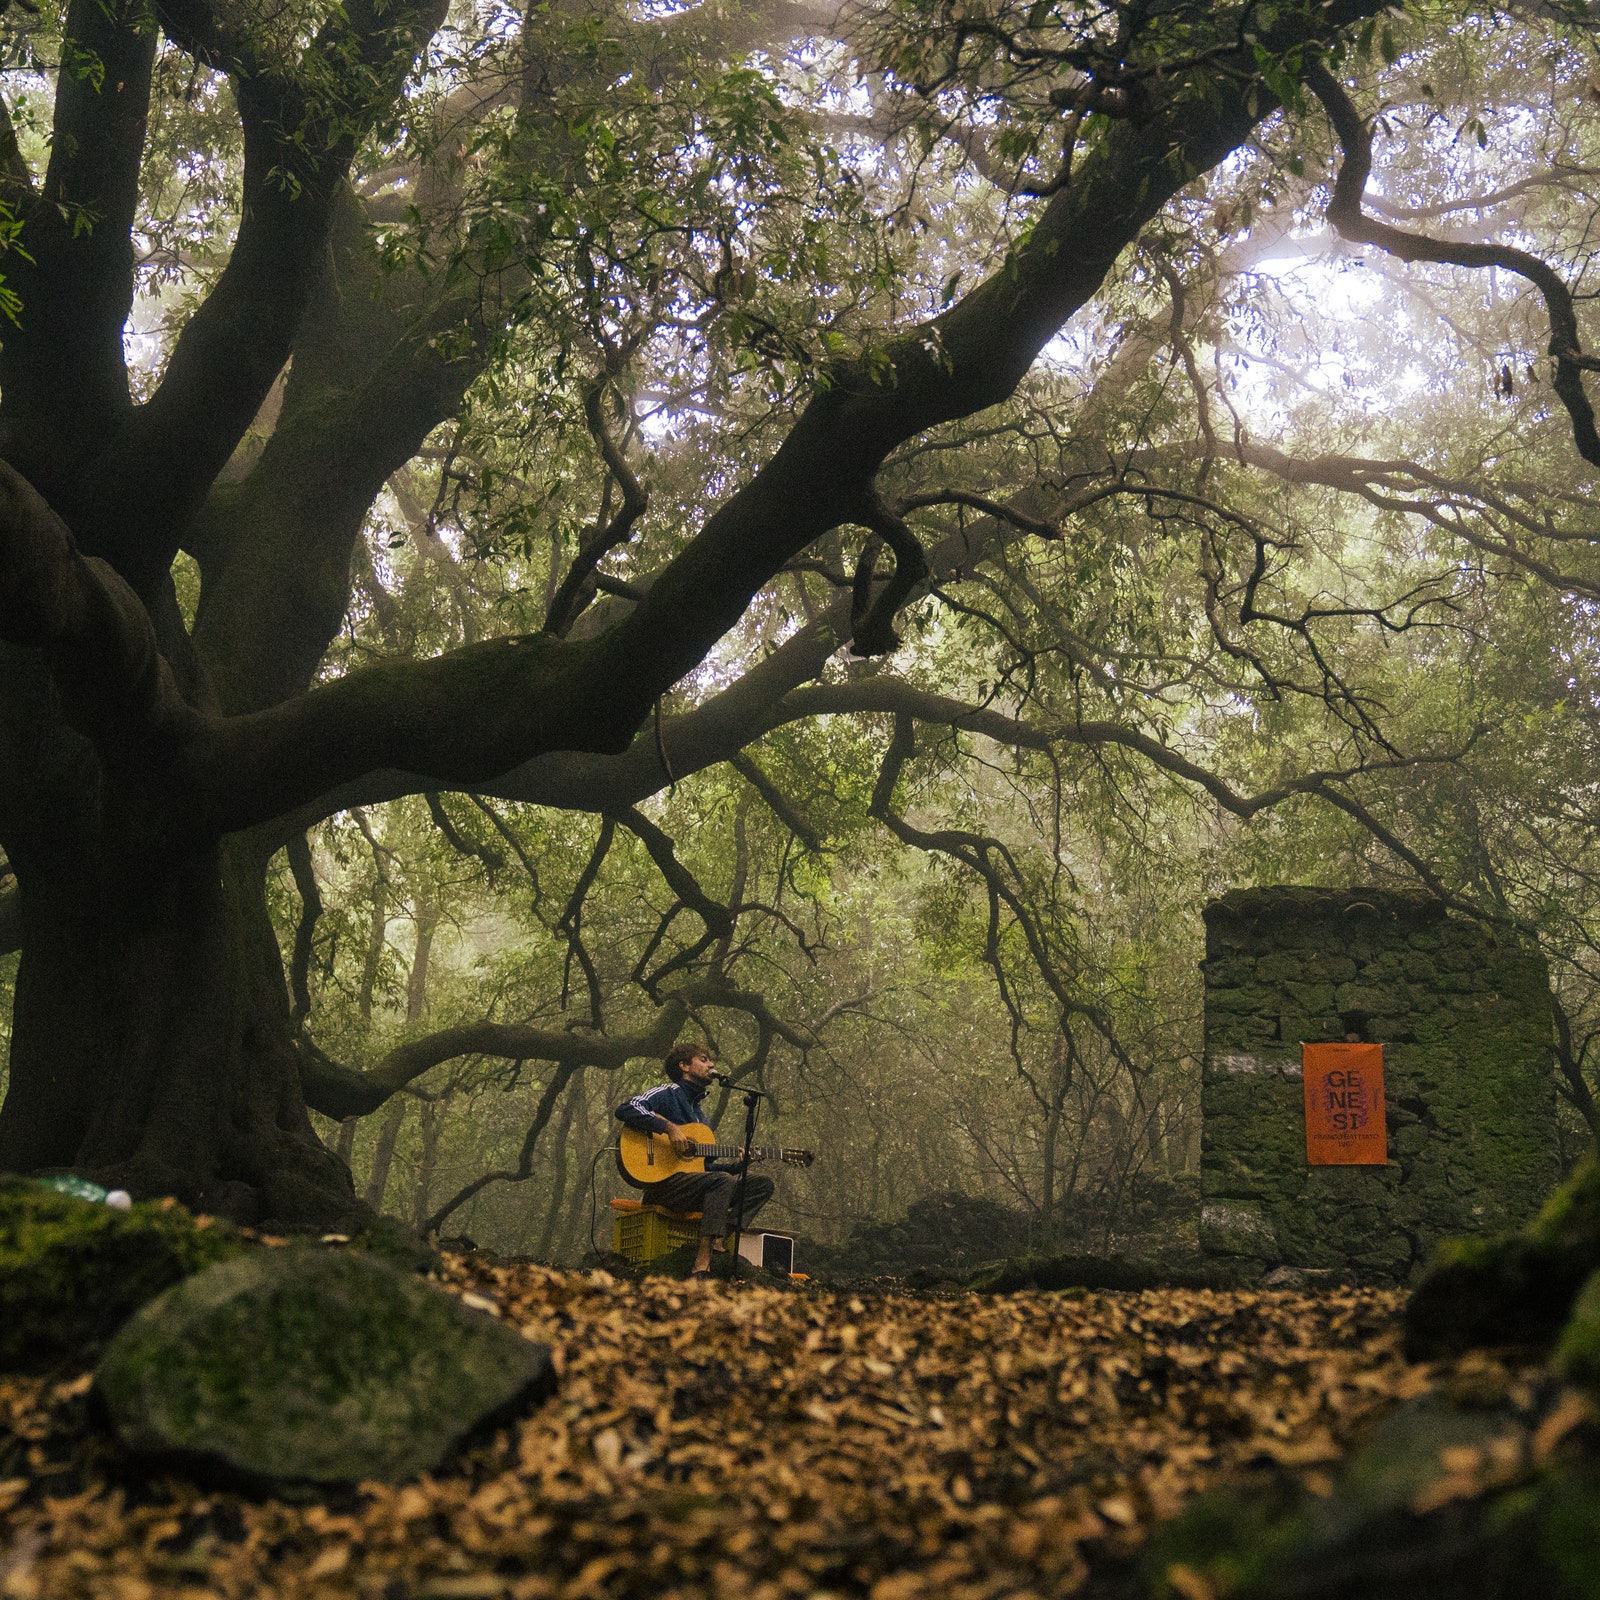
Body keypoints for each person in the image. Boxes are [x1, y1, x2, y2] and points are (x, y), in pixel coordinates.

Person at [615, 1043, 776, 1277]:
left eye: (710, 1061)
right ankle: (702, 1262)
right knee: (720, 1181)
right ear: (684, 1066)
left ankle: (719, 1240)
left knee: (761, 1185)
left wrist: (738, 1165)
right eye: (703, 1059)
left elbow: (705, 1169)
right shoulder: (667, 1093)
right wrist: (668, 1128)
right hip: (663, 1186)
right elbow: (627, 1108)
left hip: (693, 1189)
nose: (711, 1064)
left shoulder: (701, 1119)